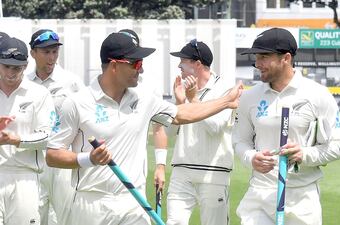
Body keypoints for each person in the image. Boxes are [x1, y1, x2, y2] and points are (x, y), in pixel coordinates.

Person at [45, 32, 242, 225]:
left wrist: (226, 101)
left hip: (133, 202)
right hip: (91, 204)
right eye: (135, 63)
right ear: (114, 65)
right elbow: (53, 155)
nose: (141, 70)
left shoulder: (144, 99)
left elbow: (183, 114)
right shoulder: (77, 103)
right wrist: (89, 159)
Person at [232, 27, 340, 225]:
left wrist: (304, 154)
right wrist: (251, 157)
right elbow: (240, 140)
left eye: (264, 57)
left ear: (285, 58)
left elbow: (338, 145)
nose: (258, 64)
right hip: (259, 194)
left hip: (302, 197)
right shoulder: (250, 97)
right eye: (256, 57)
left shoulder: (318, 94)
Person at [166, 40, 234, 225]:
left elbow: (216, 127)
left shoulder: (225, 89)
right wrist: (180, 103)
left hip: (214, 172)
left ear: (197, 64)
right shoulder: (183, 89)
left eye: (183, 61)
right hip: (181, 170)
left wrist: (193, 100)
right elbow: (170, 133)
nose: (179, 65)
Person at [26, 29, 85, 225]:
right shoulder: (24, 82)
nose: (51, 58)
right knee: (33, 215)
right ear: (33, 53)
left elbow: (84, 120)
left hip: (62, 158)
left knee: (67, 217)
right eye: (46, 52)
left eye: (54, 52)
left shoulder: (72, 82)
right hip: (33, 159)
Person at [0, 37, 54, 225]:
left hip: (25, 177)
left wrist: (16, 140)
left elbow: (48, 135)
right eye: (6, 66)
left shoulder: (38, 93)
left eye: (16, 67)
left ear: (25, 65)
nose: (11, 72)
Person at [118, 29, 168, 195]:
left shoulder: (149, 86)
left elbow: (159, 128)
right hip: (103, 168)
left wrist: (160, 167)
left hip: (136, 167)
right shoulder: (102, 83)